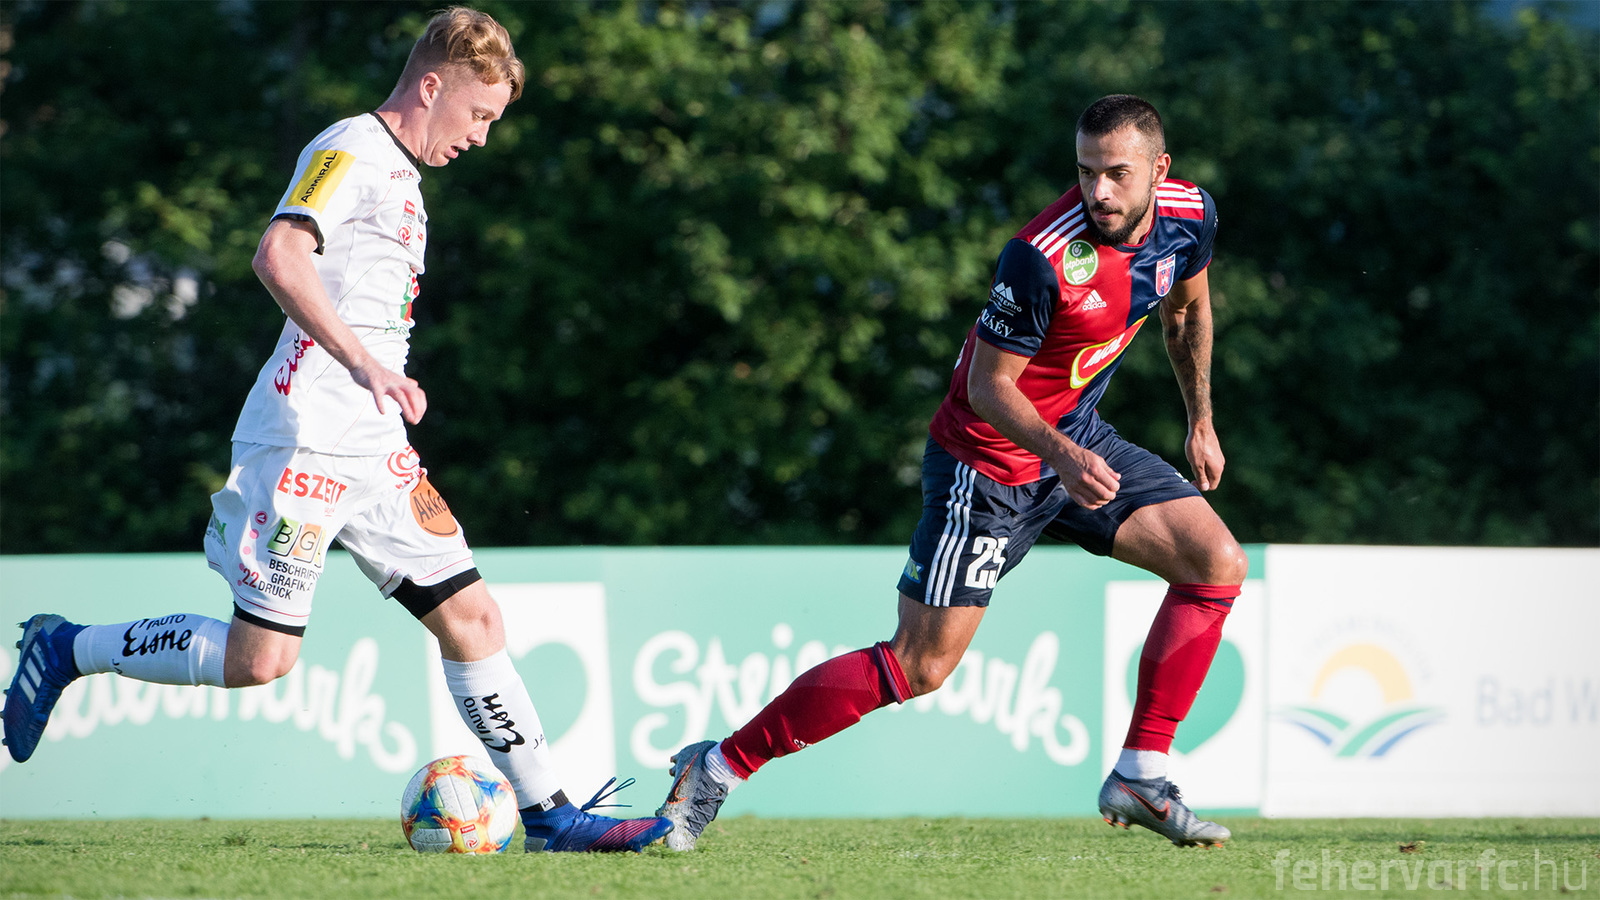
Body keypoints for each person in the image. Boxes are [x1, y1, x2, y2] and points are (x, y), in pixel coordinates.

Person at [3, 7, 671, 854]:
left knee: (473, 617)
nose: (482, 137)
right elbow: (278, 254)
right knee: (260, 661)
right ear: (431, 85)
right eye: (478, 115)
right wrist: (363, 364)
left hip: (374, 448)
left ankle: (551, 816)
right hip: (303, 437)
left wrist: (375, 386)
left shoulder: (406, 177)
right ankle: (68, 647)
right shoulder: (351, 146)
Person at [656, 95, 1244, 850]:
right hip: (986, 460)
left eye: (1116, 175)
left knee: (1214, 563)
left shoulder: (1192, 216)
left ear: (1159, 170)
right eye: (1085, 171)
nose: (1097, 192)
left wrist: (1201, 419)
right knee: (921, 664)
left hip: (1073, 440)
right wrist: (1062, 457)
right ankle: (716, 767)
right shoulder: (1040, 257)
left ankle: (1141, 775)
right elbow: (987, 387)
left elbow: (1186, 314)